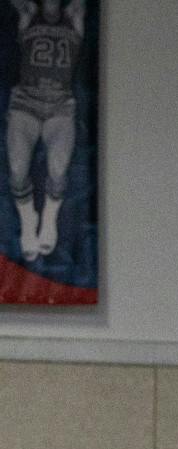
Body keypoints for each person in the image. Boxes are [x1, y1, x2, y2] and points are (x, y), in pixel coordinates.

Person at [6, 0, 84, 265]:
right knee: (17, 168)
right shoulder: (29, 12)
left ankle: (49, 218)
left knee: (59, 167)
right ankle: (29, 221)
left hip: (60, 104)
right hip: (25, 101)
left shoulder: (74, 13)